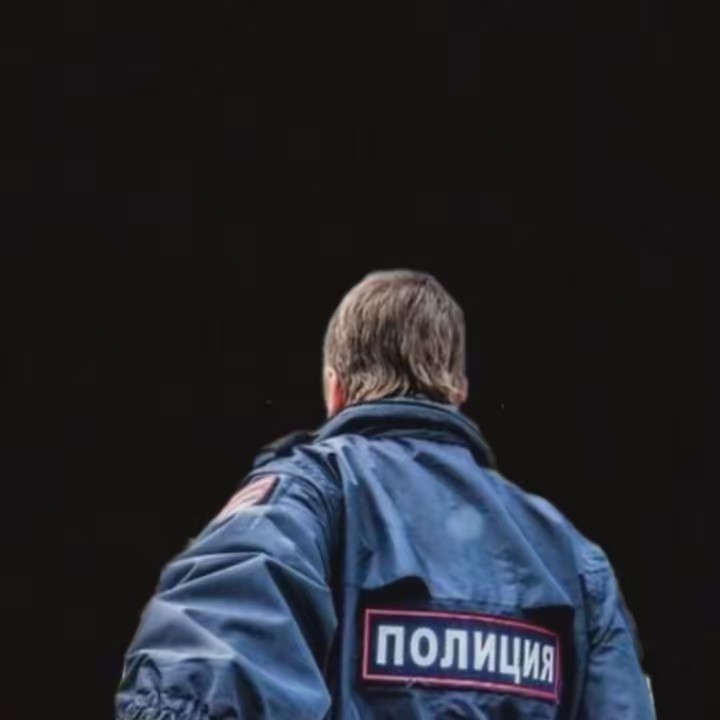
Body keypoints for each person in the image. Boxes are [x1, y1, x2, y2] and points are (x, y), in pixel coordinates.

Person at [116, 270, 656, 719]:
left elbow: (204, 677)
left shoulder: (306, 500)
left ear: (336, 389)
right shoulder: (572, 559)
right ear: (457, 392)